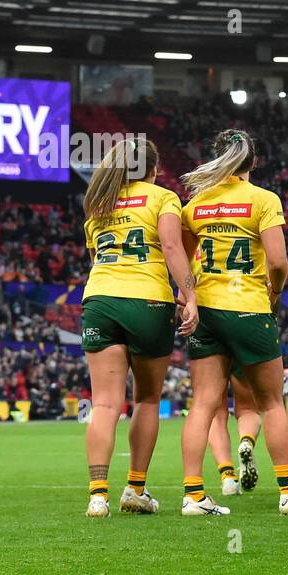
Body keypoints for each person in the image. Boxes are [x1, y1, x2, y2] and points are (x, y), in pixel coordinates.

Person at [178, 129, 288, 516]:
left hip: (206, 309)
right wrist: (274, 290)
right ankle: (287, 493)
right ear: (252, 162)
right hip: (249, 306)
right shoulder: (263, 200)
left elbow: (183, 264)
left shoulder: (195, 204)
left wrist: (189, 298)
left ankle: (193, 496)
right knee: (271, 403)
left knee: (203, 404)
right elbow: (279, 262)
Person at [79, 139, 197, 518]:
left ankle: (98, 496)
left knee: (103, 403)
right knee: (146, 399)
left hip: (99, 301)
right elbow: (172, 247)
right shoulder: (162, 198)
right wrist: (189, 295)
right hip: (147, 301)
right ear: (153, 168)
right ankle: (135, 488)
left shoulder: (98, 205)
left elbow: (97, 258)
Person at [207, 374, 259, 496]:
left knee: (217, 415)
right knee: (248, 408)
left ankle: (228, 476)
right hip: (243, 356)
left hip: (212, 357)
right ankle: (246, 441)